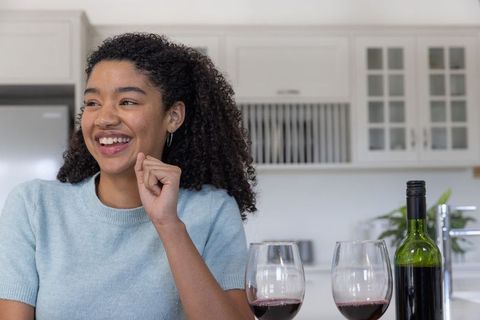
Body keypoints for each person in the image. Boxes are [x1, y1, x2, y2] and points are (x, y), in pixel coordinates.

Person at [0, 33, 257, 320]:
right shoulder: (34, 206)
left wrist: (168, 225)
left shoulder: (213, 210)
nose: (104, 118)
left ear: (173, 116)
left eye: (128, 102)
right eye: (93, 103)